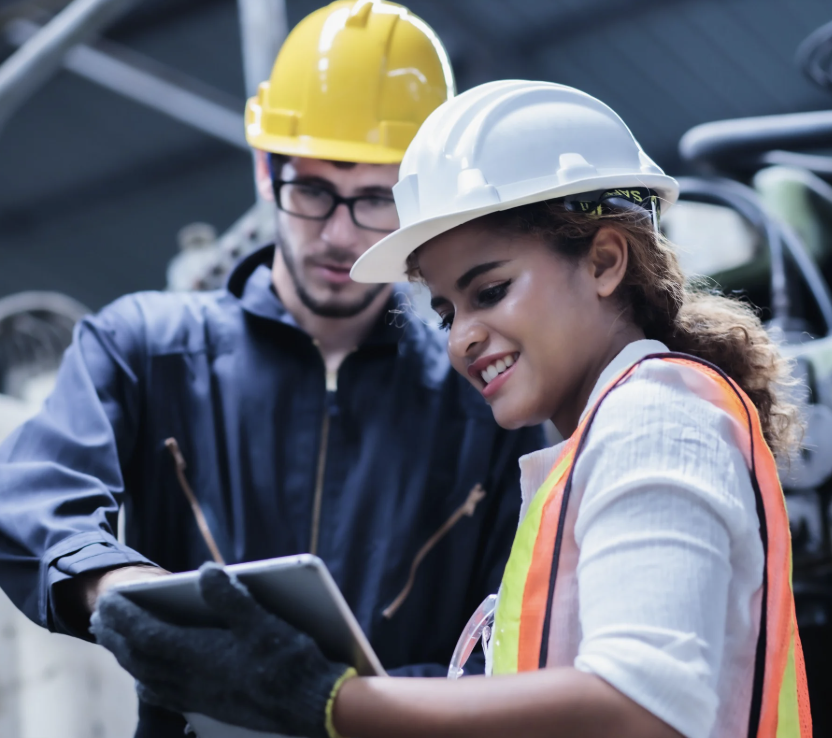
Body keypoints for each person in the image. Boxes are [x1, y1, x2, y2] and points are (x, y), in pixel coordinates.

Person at [92, 80, 813, 738]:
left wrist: (328, 699)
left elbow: (642, 708)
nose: (463, 334)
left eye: (490, 290)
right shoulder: (586, 457)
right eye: (446, 310)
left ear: (603, 262)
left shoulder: (657, 416)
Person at [0, 6, 545, 737]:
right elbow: (34, 497)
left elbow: (514, 639)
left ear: (421, 204)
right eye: (313, 191)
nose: (341, 233)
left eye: (376, 199)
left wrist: (346, 700)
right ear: (265, 170)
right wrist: (114, 586)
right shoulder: (145, 347)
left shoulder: (482, 398)